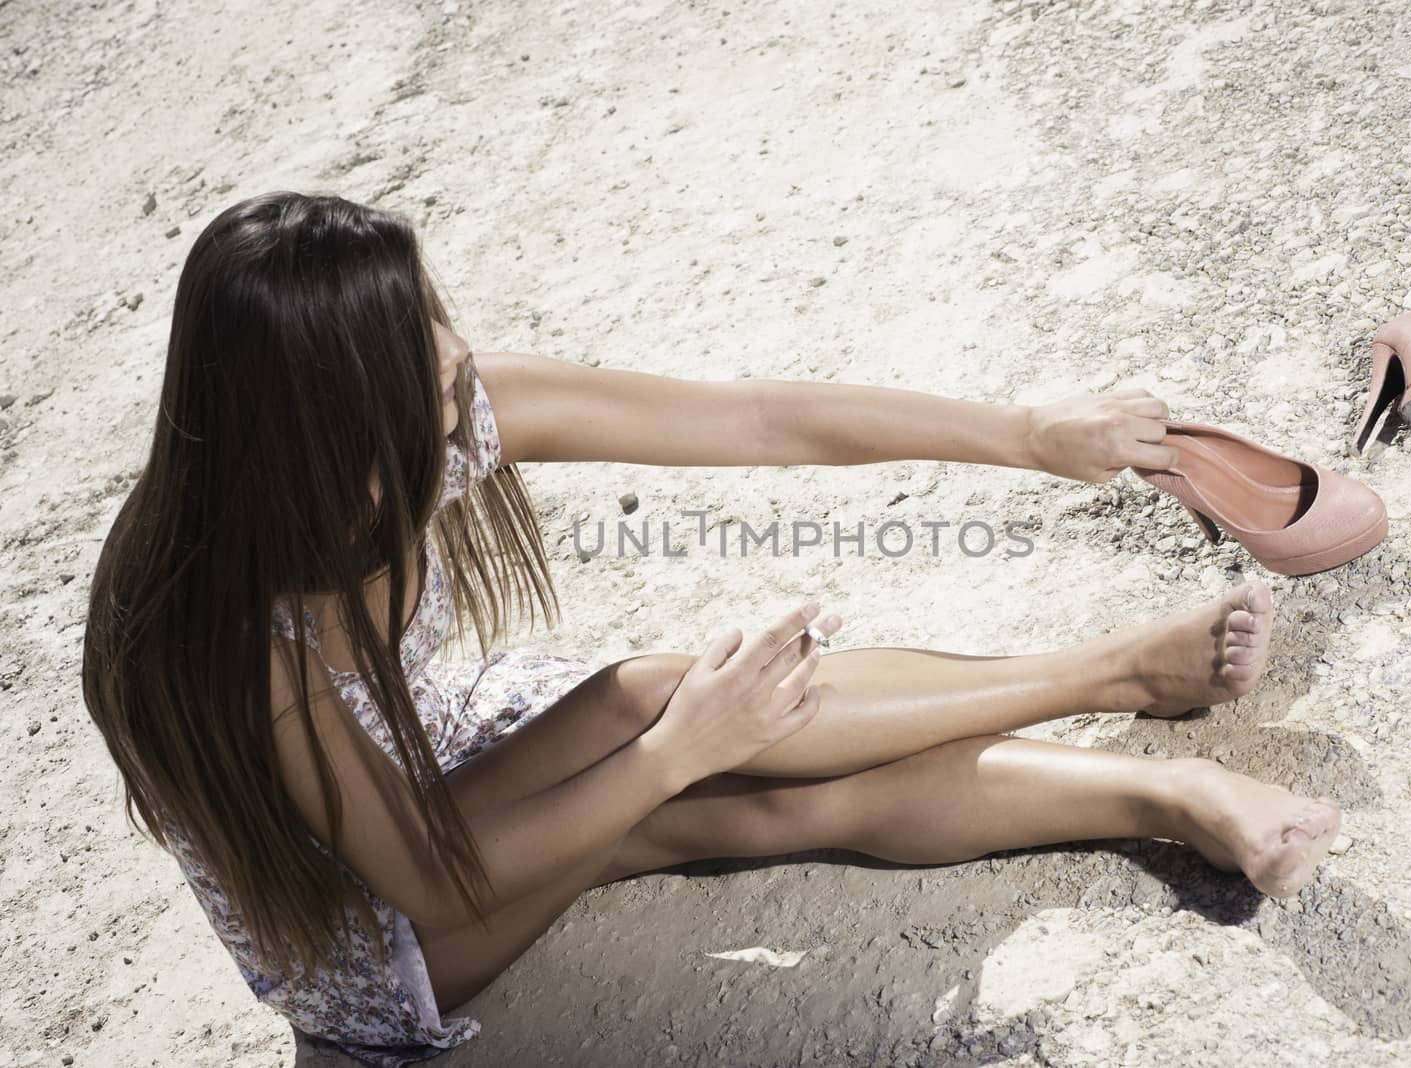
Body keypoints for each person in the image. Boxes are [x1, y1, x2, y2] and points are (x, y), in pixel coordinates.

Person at [81, 192, 1341, 1066]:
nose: (457, 352)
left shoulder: (436, 412)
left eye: (429, 315)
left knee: (672, 706)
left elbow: (755, 422)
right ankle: (1143, 735)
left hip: (439, 756)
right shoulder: (239, 637)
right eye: (411, 347)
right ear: (321, 415)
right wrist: (677, 751)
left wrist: (1022, 435)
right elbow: (416, 878)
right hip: (370, 923)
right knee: (706, 783)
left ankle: (1137, 716)